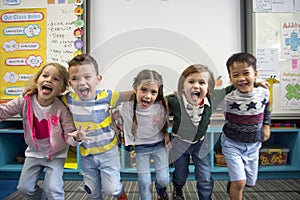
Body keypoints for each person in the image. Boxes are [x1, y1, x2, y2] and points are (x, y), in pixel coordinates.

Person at [0, 63, 90, 200]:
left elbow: (69, 136)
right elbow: (4, 111)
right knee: (24, 189)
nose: (49, 80)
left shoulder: (61, 110)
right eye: (45, 76)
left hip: (56, 155)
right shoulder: (25, 101)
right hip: (34, 153)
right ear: (37, 81)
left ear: (61, 90)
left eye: (56, 79)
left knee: (53, 189)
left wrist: (77, 137)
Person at [61, 54, 132, 200]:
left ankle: (120, 193)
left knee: (112, 190)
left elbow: (131, 95)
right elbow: (50, 97)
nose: (81, 83)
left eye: (87, 77)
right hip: (87, 154)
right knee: (91, 192)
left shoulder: (106, 96)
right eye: (75, 79)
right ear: (70, 82)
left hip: (108, 152)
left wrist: (156, 93)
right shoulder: (69, 99)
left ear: (98, 79)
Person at [113, 69, 172, 200]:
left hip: (159, 146)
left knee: (164, 179)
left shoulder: (161, 105)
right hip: (140, 148)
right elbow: (111, 116)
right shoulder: (126, 106)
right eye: (143, 90)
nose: (148, 96)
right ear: (135, 89)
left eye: (153, 92)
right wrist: (121, 130)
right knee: (144, 181)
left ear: (158, 93)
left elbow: (172, 113)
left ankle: (161, 190)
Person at [166, 64, 222, 200]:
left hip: (200, 143)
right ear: (182, 85)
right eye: (191, 82)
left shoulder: (212, 99)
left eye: (202, 83)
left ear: (209, 88)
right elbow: (160, 101)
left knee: (204, 176)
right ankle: (178, 189)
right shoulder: (176, 100)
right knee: (181, 173)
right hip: (179, 143)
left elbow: (233, 88)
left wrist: (256, 82)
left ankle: (205, 197)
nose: (196, 86)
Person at [221, 52, 271, 200]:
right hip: (232, 143)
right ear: (230, 78)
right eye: (235, 75)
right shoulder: (227, 97)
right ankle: (236, 184)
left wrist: (266, 125)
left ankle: (234, 184)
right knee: (240, 182)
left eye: (246, 73)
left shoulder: (264, 93)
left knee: (249, 183)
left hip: (254, 145)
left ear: (255, 74)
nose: (241, 78)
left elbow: (266, 109)